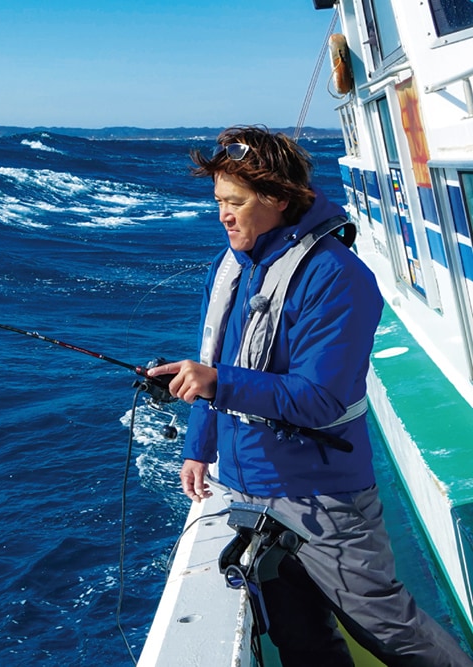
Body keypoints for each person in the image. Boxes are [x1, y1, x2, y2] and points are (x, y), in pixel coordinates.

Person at [147, 125, 473, 666]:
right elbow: (215, 357)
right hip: (248, 488)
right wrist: (198, 446)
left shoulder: (336, 276)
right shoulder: (231, 266)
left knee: (390, 632)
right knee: (299, 638)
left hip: (323, 498)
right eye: (218, 202)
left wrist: (217, 383)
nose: (223, 215)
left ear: (277, 198)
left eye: (235, 202)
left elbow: (320, 398)